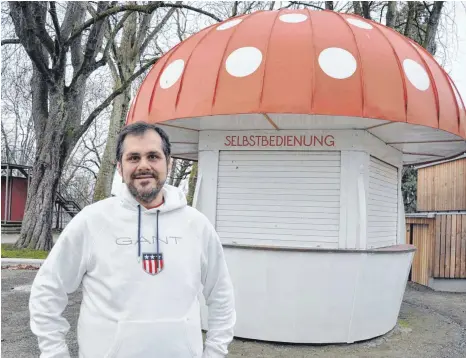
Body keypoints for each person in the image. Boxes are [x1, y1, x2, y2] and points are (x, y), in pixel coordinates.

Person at [29, 122, 236, 358]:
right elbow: (47, 291)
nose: (144, 165)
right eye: (133, 157)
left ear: (169, 162)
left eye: (153, 156)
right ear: (120, 166)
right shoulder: (92, 221)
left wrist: (215, 353)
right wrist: (55, 353)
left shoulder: (197, 225)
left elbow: (221, 295)